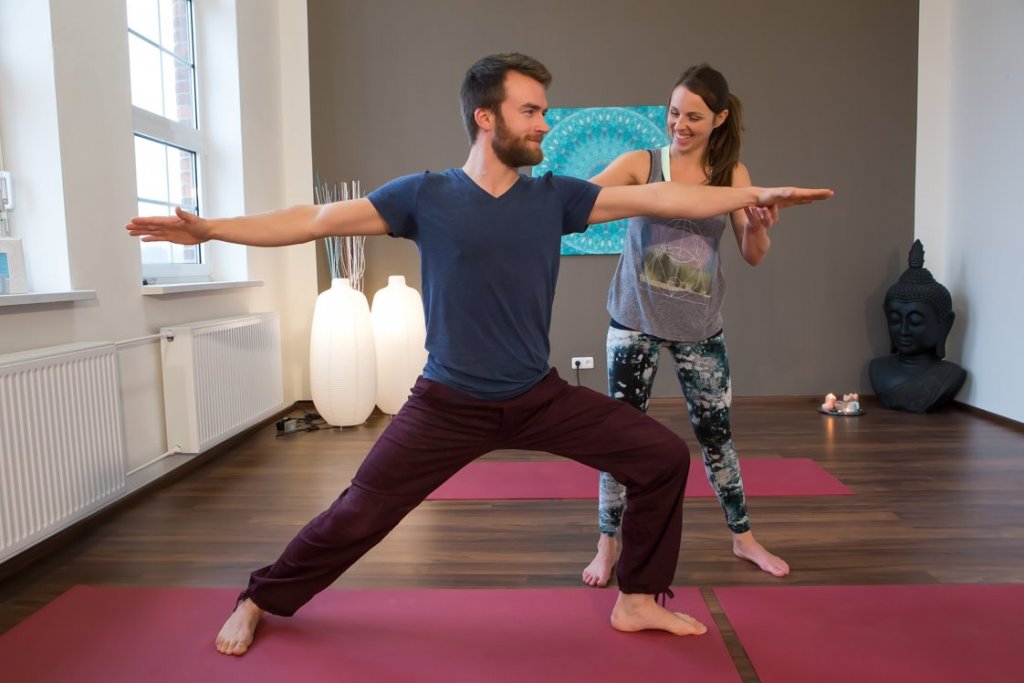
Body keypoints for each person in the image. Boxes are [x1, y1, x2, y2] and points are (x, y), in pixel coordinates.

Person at [126, 53, 832, 656]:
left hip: (535, 394)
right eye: (532, 111)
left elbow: (664, 194)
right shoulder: (424, 196)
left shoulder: (555, 198)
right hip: (447, 401)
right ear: (486, 118)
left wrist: (757, 194)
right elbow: (313, 220)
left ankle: (637, 595)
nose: (545, 124)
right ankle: (260, 596)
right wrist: (212, 228)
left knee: (659, 457)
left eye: (546, 111)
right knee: (357, 514)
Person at [581, 64, 793, 588]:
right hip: (634, 321)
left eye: (694, 116)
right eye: (674, 112)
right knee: (619, 439)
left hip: (700, 327)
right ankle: (608, 544)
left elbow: (753, 254)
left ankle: (743, 539)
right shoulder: (642, 163)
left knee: (717, 438)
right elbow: (579, 202)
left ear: (719, 118)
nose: (679, 124)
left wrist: (762, 227)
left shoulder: (733, 176)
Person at [869, 239, 966, 413]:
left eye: (915, 321)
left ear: (944, 324)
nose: (904, 330)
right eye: (895, 320)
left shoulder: (949, 377)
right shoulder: (877, 370)